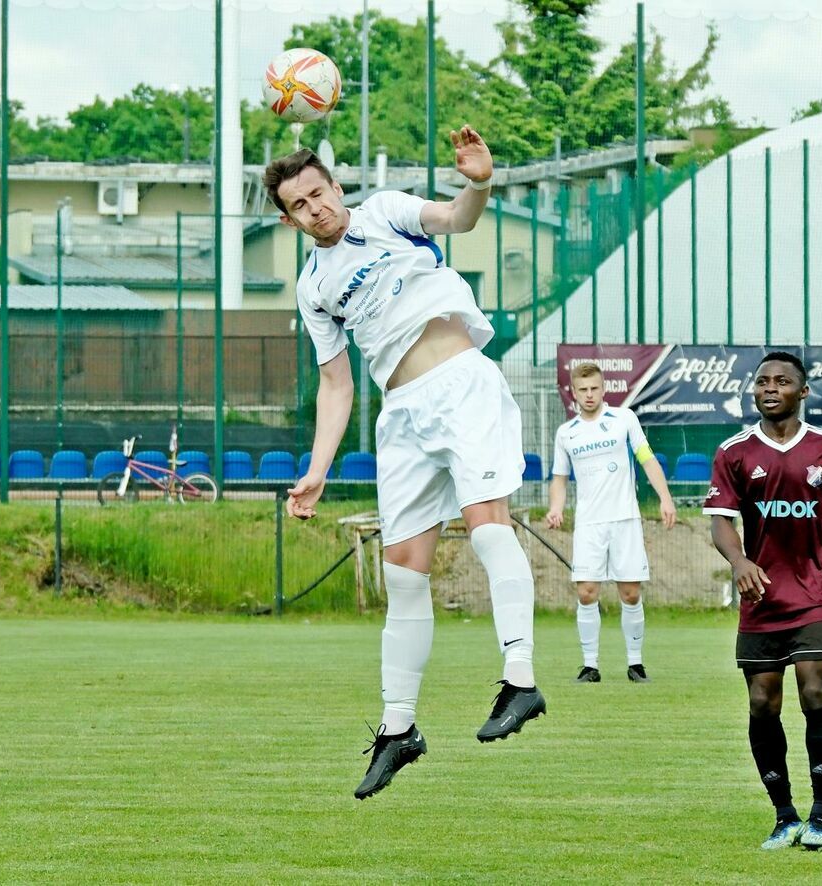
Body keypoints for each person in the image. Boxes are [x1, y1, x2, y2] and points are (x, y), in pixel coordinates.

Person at [266, 126, 545, 801]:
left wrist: (478, 182)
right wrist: (317, 468)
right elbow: (337, 385)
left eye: (319, 192)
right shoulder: (311, 289)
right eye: (299, 206)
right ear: (289, 219)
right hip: (402, 416)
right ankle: (399, 729)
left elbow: (456, 219)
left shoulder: (386, 211)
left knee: (485, 526)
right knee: (404, 574)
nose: (316, 208)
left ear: (335, 186)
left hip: (461, 383)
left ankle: (522, 679)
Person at [704, 351, 822, 852]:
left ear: (802, 393)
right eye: (761, 381)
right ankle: (784, 815)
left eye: (781, 381)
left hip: (817, 596)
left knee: (814, 691)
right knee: (763, 702)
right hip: (761, 600)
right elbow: (720, 520)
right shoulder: (734, 452)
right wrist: (740, 561)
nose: (769, 387)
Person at [546, 362, 676, 683]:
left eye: (594, 389)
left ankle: (636, 663)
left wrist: (665, 498)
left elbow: (646, 458)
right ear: (573, 393)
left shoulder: (624, 419)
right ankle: (590, 666)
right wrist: (555, 508)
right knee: (587, 592)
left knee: (630, 593)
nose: (589, 395)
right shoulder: (567, 433)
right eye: (583, 390)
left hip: (625, 519)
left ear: (604, 389)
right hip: (589, 524)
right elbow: (559, 479)